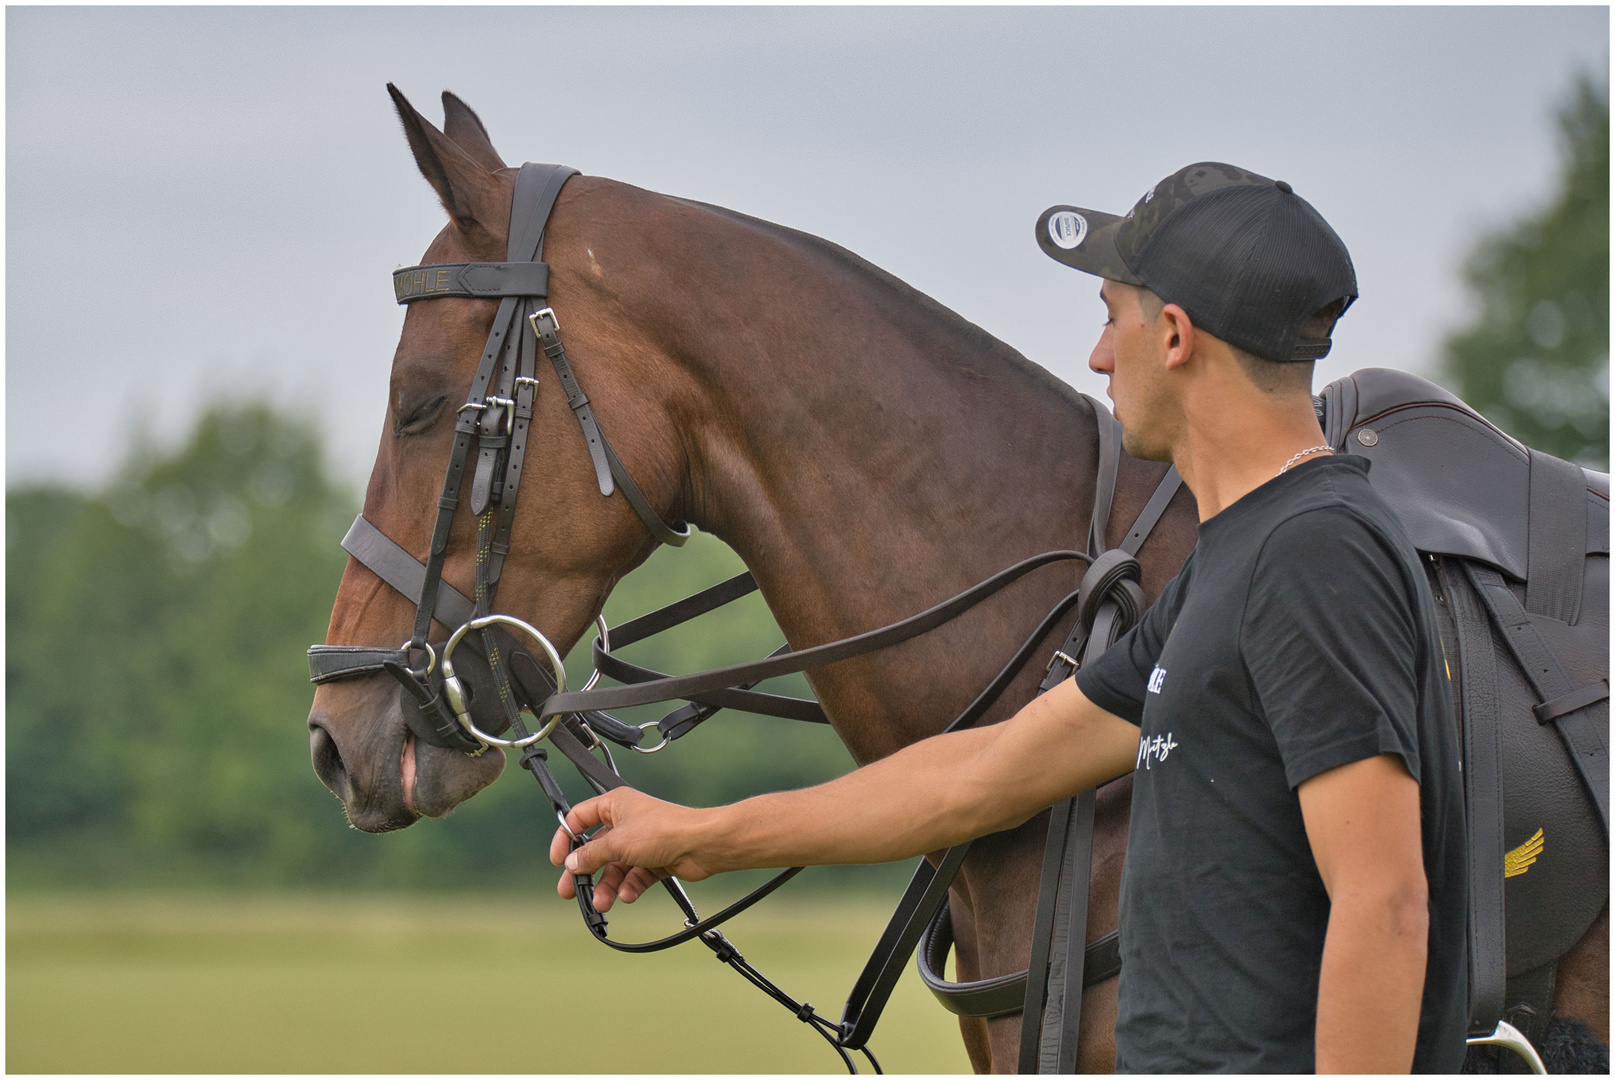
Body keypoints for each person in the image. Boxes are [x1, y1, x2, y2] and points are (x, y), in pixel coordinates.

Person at [549, 162, 1468, 1073]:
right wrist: (698, 837)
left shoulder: (1315, 552)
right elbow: (981, 776)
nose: (1099, 355)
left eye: (1113, 317)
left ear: (1177, 336)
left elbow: (1382, 901)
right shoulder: (1230, 561)